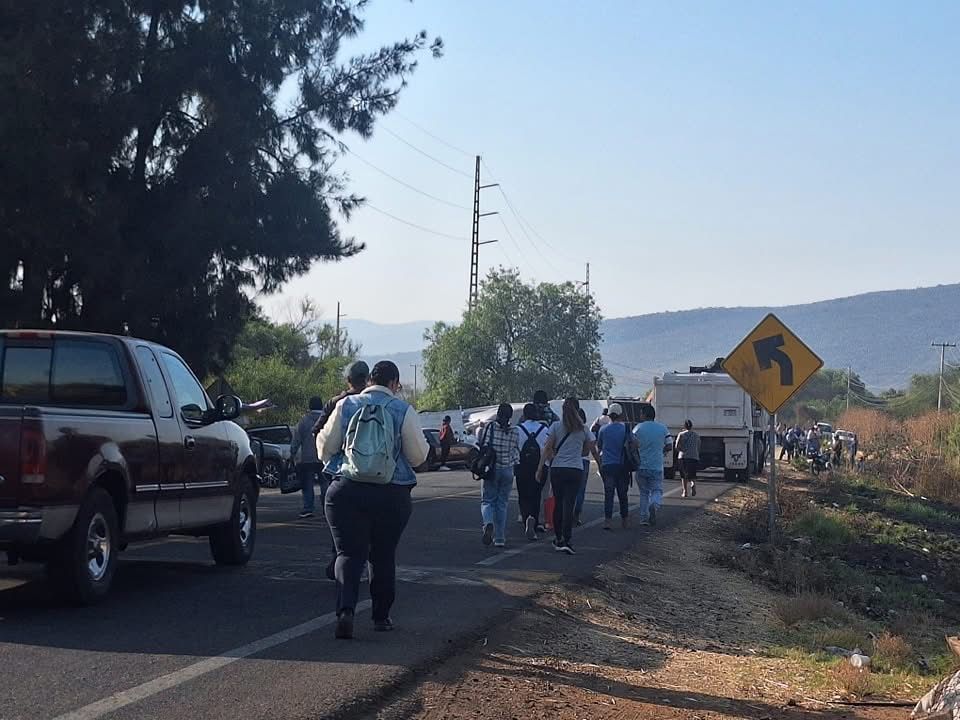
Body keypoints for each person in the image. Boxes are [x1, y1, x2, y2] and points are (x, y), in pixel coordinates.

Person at [317, 361, 429, 639]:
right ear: (394, 383)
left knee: (348, 554)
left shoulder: (346, 405)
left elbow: (325, 448)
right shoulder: (403, 410)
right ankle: (381, 617)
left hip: (346, 490)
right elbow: (418, 456)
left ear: (369, 380)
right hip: (391, 493)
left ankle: (345, 610)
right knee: (382, 555)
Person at [313, 360, 370, 581]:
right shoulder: (375, 401)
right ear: (367, 379)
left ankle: (339, 560)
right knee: (366, 522)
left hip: (339, 472)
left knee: (338, 523)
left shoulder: (336, 402)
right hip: (371, 473)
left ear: (348, 380)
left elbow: (317, 431)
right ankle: (362, 565)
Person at [536, 397, 596, 555]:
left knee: (558, 503)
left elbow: (547, 448)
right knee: (569, 504)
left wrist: (540, 467)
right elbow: (588, 450)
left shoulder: (556, 426)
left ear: (563, 410)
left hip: (558, 468)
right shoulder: (583, 429)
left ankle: (558, 538)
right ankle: (567, 538)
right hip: (575, 468)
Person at [479, 403, 521, 548]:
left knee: (487, 501)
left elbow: (483, 444)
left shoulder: (490, 427)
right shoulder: (515, 431)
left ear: (497, 413)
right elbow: (516, 451)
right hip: (508, 470)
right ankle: (500, 538)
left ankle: (488, 523)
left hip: (492, 469)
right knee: (502, 504)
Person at [633, 404, 671, 527]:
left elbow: (632, 444)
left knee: (644, 493)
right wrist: (662, 450)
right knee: (657, 489)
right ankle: (654, 504)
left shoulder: (638, 428)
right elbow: (669, 445)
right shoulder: (662, 428)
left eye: (641, 413)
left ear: (644, 415)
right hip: (656, 465)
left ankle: (643, 518)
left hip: (641, 465)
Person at [515, 403, 549, 540]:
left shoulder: (518, 429)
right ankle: (533, 520)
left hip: (522, 466)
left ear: (524, 415)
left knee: (523, 495)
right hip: (540, 466)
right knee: (536, 495)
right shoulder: (544, 429)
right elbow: (548, 449)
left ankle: (526, 518)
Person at [596, 403, 632, 530]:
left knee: (609, 494)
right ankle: (625, 520)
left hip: (607, 465)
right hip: (622, 465)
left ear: (609, 415)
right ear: (621, 414)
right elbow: (633, 443)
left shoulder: (603, 429)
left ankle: (608, 521)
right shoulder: (626, 429)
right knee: (623, 494)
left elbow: (599, 446)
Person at [290, 396, 326, 519]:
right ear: (321, 405)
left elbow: (296, 440)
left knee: (307, 484)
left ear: (310, 406)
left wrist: (292, 454)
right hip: (324, 456)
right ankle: (326, 507)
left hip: (307, 457)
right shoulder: (327, 418)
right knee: (325, 483)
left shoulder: (304, 421)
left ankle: (308, 508)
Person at [574, 408, 603, 526]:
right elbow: (593, 450)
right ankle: (576, 514)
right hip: (584, 461)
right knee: (580, 490)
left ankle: (567, 512)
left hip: (569, 461)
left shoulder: (567, 429)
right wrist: (599, 463)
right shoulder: (585, 430)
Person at [675, 419, 701, 499]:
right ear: (691, 426)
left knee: (683, 475)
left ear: (684, 426)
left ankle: (685, 491)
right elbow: (699, 445)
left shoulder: (681, 434)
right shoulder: (696, 435)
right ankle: (693, 484)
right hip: (694, 456)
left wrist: (680, 450)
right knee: (692, 474)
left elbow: (676, 446)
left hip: (683, 456)